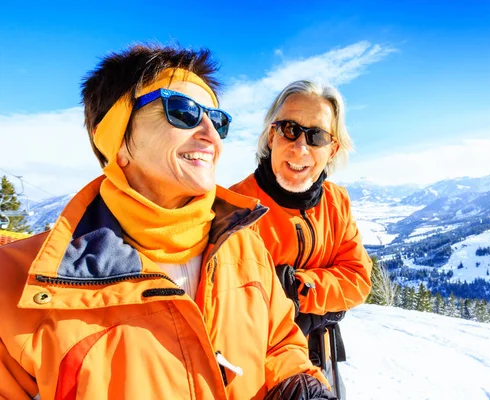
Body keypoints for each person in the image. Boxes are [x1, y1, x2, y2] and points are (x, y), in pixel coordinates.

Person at [0, 44, 337, 400]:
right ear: (117, 139)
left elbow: (280, 343)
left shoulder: (244, 246)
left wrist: (299, 387)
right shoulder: (19, 287)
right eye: (183, 111)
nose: (210, 132)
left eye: (216, 119)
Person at [230, 80, 373, 398]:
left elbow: (358, 279)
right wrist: (326, 302)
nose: (300, 148)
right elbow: (237, 310)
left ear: (332, 149)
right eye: (289, 129)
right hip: (258, 375)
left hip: (323, 360)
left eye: (317, 136)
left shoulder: (336, 202)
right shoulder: (235, 209)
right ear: (271, 135)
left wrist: (295, 288)